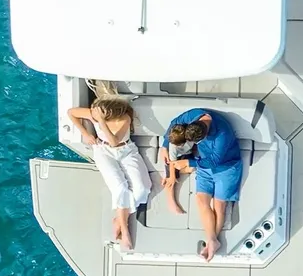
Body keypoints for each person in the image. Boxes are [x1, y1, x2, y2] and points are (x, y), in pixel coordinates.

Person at [67, 97, 151, 250]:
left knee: (143, 188)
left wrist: (101, 121)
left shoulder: (124, 118)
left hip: (126, 150)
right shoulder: (95, 113)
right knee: (120, 188)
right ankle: (124, 229)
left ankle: (119, 219)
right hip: (103, 150)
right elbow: (71, 113)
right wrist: (85, 133)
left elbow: (114, 141)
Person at [159, 109, 242, 261]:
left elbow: (215, 160)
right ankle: (212, 241)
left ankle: (211, 241)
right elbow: (173, 123)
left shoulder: (222, 134)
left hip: (226, 167)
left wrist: (188, 162)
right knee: (201, 201)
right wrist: (165, 145)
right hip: (203, 165)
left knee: (219, 206)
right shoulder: (194, 115)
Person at [161, 124, 197, 215]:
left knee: (192, 168)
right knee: (171, 179)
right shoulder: (173, 146)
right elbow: (172, 162)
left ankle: (169, 172)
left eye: (179, 145)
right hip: (174, 159)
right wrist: (172, 176)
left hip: (187, 155)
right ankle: (171, 202)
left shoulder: (191, 137)